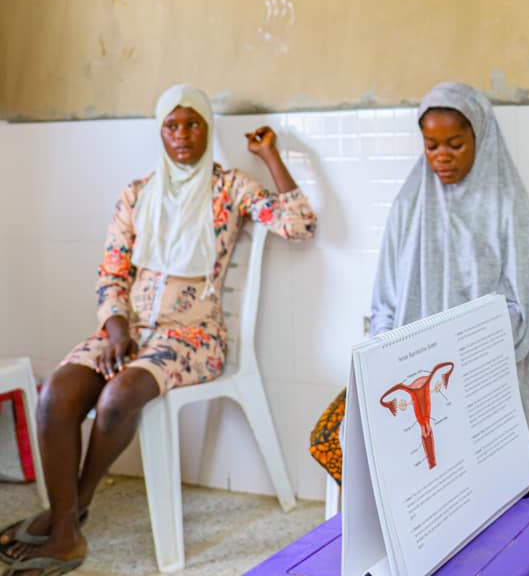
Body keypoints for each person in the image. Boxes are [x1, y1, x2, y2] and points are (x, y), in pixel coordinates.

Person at [0, 85, 317, 575]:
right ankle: (67, 519)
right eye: (172, 125)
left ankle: (66, 523)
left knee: (118, 397)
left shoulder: (229, 188)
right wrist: (115, 328)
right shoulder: (138, 194)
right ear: (160, 132)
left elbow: (300, 227)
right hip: (129, 332)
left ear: (207, 129)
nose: (183, 135)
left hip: (193, 338)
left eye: (193, 124)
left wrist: (269, 155)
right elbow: (111, 274)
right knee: (57, 394)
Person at [310, 82, 529, 486]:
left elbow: (519, 314)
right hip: (407, 366)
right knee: (335, 435)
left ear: (480, 138)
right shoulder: (409, 205)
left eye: (455, 144)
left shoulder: (508, 209)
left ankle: (436, 526)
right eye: (431, 146)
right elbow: (384, 303)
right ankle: (394, 536)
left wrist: (453, 348)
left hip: (473, 367)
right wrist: (385, 357)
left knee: (437, 441)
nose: (442, 157)